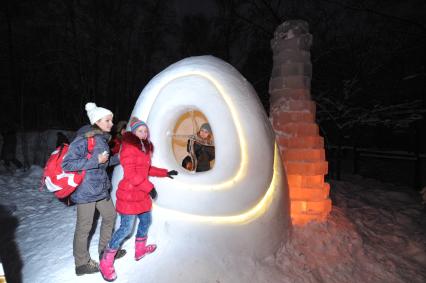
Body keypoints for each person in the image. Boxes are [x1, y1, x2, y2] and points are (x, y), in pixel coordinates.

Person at [99, 117, 178, 282]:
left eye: (145, 131)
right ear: (133, 132)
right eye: (140, 131)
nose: (143, 133)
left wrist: (165, 172)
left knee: (146, 221)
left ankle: (140, 250)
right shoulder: (128, 148)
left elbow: (146, 169)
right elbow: (131, 175)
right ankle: (106, 259)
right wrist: (150, 188)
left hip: (140, 194)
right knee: (125, 229)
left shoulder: (143, 147)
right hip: (129, 195)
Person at [62, 102, 123, 276]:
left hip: (100, 188)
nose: (112, 124)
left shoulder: (102, 139)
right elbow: (67, 164)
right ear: (97, 121)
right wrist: (96, 161)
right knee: (84, 227)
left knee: (110, 216)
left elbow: (104, 163)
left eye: (111, 120)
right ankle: (81, 263)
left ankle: (105, 250)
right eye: (108, 121)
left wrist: (119, 157)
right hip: (86, 191)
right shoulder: (84, 139)